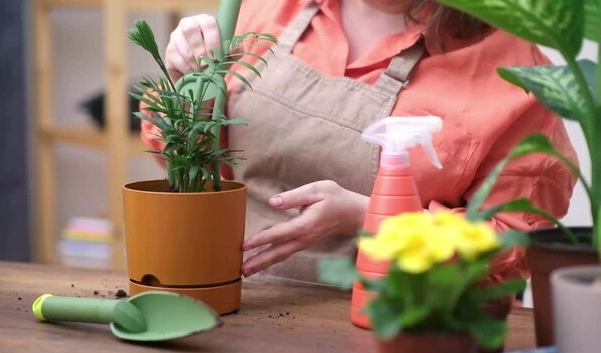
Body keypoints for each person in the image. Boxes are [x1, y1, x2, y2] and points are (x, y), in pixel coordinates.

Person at [141, 0, 577, 285]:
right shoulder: (267, 8)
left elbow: (513, 247)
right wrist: (188, 83)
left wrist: (374, 218)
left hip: (400, 331)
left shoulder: (516, 73)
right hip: (236, 308)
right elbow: (182, 159)